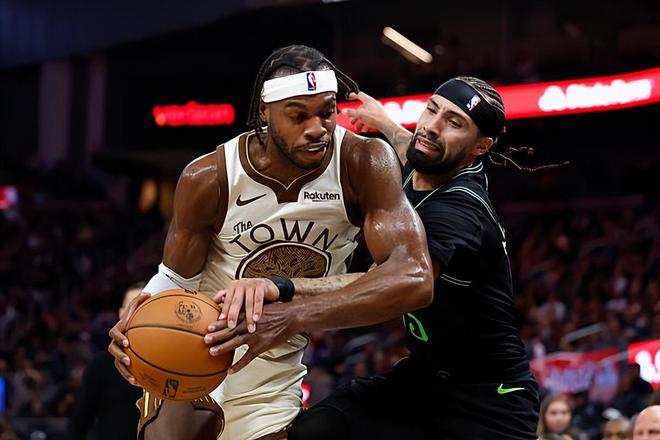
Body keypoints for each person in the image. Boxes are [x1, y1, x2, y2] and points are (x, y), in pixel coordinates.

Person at [107, 44, 433, 440]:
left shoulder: (362, 162)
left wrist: (294, 315)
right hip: (196, 341)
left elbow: (415, 279)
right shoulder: (209, 177)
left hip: (274, 366)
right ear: (265, 111)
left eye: (327, 112)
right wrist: (133, 325)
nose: (317, 128)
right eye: (298, 116)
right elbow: (175, 279)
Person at [259, 76, 540, 439]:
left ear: (481, 146)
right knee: (318, 430)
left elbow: (391, 282)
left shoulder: (460, 210)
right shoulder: (425, 162)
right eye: (432, 110)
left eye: (454, 123)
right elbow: (412, 144)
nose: (432, 127)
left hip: (489, 401)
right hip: (423, 380)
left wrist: (286, 292)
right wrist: (384, 121)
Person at [66, 283, 145, 440]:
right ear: (121, 313)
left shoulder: (172, 365)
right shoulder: (100, 365)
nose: (137, 313)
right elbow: (78, 426)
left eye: (145, 307)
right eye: (132, 307)